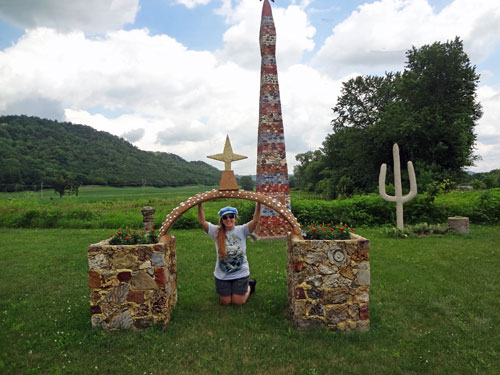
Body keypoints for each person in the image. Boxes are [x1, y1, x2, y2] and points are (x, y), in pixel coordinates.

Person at [197, 202, 261, 305]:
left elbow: (255, 221)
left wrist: (258, 204)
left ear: (235, 218)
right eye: (225, 217)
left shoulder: (242, 230)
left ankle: (250, 286)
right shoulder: (216, 232)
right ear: (222, 220)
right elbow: (202, 222)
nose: (228, 219)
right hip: (223, 274)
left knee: (238, 302)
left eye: (231, 216)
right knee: (225, 302)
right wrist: (199, 204)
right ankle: (231, 290)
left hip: (240, 273)